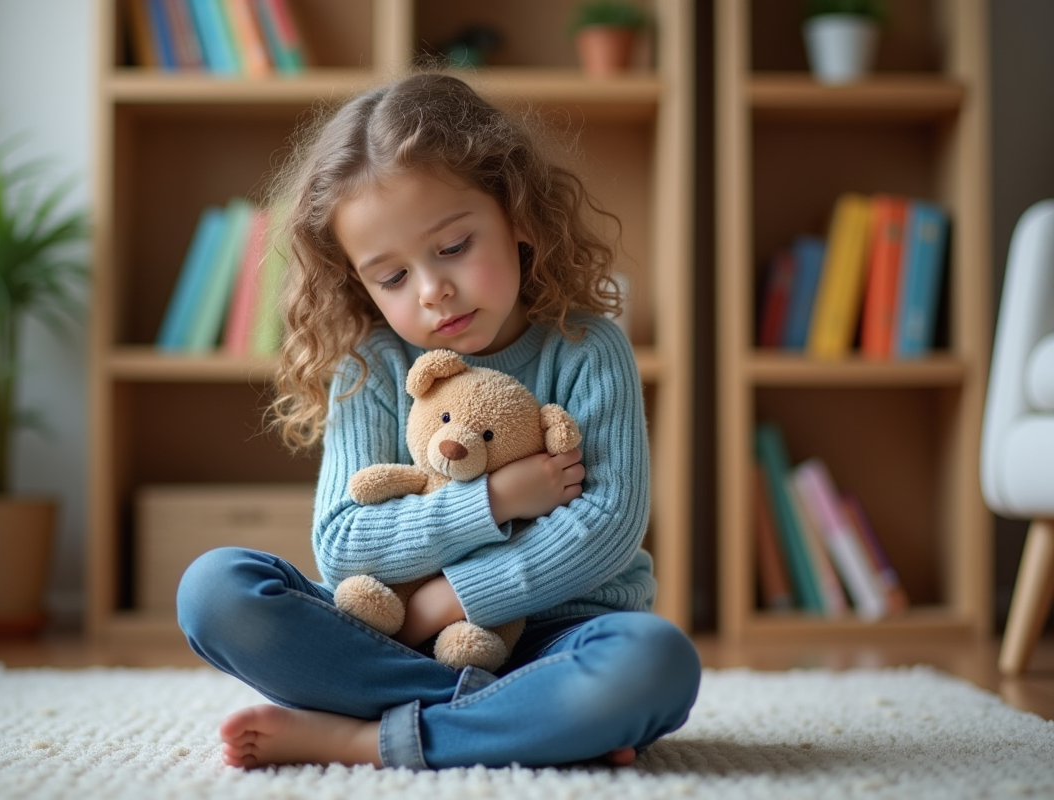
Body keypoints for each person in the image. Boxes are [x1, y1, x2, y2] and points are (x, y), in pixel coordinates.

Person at [176, 72, 701, 771]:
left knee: (656, 662)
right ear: (356, 283)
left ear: (517, 215)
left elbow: (604, 532)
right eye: (391, 277)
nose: (433, 291)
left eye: (453, 247)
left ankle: (369, 737)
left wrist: (445, 600)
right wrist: (495, 502)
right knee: (214, 592)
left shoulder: (588, 347)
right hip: (391, 634)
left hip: (559, 636)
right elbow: (342, 546)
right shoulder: (372, 364)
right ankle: (518, 722)